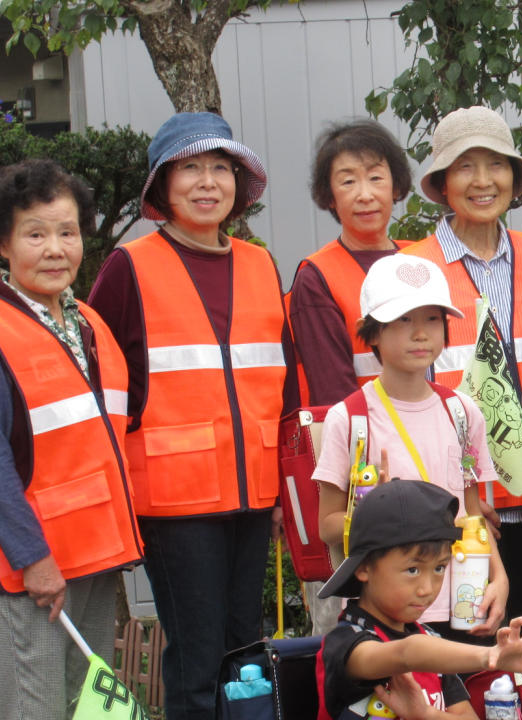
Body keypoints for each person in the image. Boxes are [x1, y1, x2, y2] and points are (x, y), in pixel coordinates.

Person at [87, 112, 298, 720]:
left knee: (247, 651)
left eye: (220, 168)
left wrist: (283, 490)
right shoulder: (131, 265)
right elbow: (99, 378)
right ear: (162, 187)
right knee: (198, 656)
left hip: (253, 494)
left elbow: (282, 387)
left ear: (238, 184)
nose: (207, 182)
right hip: (173, 502)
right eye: (190, 168)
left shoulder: (260, 264)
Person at [402, 105, 522, 624]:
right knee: (471, 657)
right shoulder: (414, 268)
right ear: (442, 183)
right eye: (466, 166)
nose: (483, 181)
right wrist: (457, 491)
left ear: (514, 177)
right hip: (458, 511)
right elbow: (404, 393)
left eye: (497, 165)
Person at [0, 159, 144, 719]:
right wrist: (33, 558)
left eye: (67, 232)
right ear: (5, 245)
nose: (55, 248)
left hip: (94, 557)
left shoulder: (88, 324)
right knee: (33, 708)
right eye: (35, 234)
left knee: (86, 705)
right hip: (33, 569)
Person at [315, 254, 510, 640]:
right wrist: (374, 509)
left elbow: (473, 513)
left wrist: (499, 577)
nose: (420, 333)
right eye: (403, 320)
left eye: (432, 319)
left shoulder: (462, 412)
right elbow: (327, 527)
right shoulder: (351, 418)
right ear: (370, 332)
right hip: (387, 610)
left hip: (461, 600)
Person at [290, 118, 416, 635]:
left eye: (376, 177)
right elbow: (333, 395)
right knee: (357, 636)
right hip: (362, 478)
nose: (364, 194)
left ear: (397, 186)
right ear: (328, 195)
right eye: (347, 180)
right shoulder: (316, 275)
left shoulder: (420, 262)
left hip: (430, 466)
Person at [316, 479, 522, 720]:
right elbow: (406, 653)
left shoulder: (432, 641)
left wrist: (425, 714)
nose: (427, 589)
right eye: (413, 570)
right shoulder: (345, 644)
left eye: (439, 568)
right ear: (364, 567)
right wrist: (487, 656)